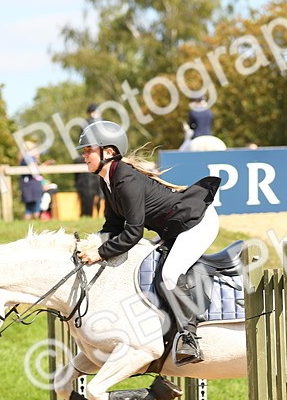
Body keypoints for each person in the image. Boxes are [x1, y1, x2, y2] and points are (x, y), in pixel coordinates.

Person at [74, 120, 221, 365]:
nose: (84, 155)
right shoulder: (107, 180)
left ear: (108, 152)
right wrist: (91, 244)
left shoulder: (125, 180)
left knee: (169, 274)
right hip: (172, 228)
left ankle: (189, 338)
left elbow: (133, 233)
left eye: (89, 150)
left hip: (196, 223)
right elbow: (113, 227)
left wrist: (100, 253)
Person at [18, 140, 45, 220]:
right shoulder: (28, 158)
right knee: (36, 206)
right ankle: (36, 222)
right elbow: (34, 169)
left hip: (27, 184)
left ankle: (30, 223)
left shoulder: (23, 159)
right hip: (33, 184)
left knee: (28, 208)